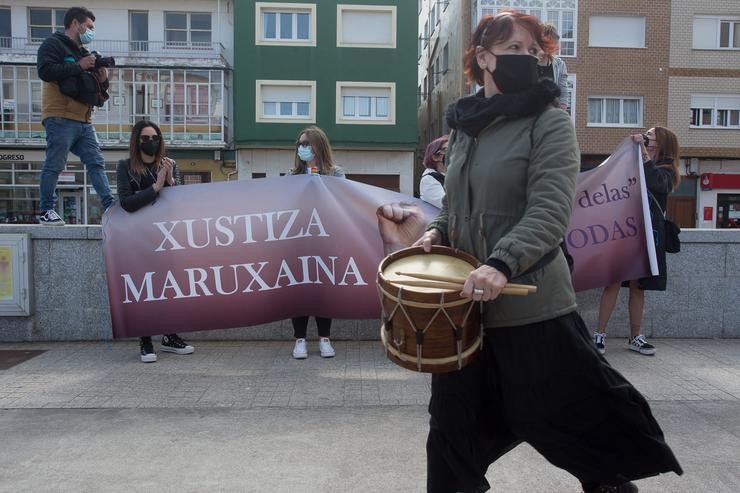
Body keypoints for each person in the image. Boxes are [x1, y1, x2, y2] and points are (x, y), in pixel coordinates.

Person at [412, 11, 682, 493]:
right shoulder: (463, 129)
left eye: (534, 52)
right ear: (482, 57)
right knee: (451, 434)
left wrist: (500, 263)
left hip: (532, 306)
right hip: (464, 313)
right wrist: (435, 233)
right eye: (514, 49)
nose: (527, 59)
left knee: (575, 426)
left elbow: (551, 209)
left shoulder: (549, 124)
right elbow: (455, 206)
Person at [594, 127, 681, 356]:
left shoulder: (666, 170)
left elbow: (658, 184)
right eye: (645, 135)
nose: (644, 137)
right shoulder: (635, 162)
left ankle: (635, 337)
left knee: (638, 286)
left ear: (660, 142)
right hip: (626, 231)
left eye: (649, 135)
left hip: (648, 236)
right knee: (613, 282)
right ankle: (599, 335)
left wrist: (641, 150)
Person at [117, 120, 195, 363]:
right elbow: (127, 203)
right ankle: (145, 340)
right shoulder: (125, 166)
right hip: (137, 239)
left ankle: (170, 336)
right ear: (136, 141)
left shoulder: (169, 164)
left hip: (166, 238)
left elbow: (179, 203)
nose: (151, 142)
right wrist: (157, 185)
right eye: (145, 138)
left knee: (168, 288)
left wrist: (170, 181)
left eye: (155, 137)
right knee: (144, 289)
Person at [36, 6, 114, 225]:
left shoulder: (83, 52)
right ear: (75, 24)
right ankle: (46, 210)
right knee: (55, 164)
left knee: (96, 162)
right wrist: (79, 66)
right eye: (89, 26)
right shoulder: (54, 44)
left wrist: (103, 77)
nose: (91, 31)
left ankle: (110, 206)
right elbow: (45, 71)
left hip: (83, 119)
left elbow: (90, 90)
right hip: (60, 115)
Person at [287, 126, 345, 359]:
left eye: (307, 144)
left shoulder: (336, 173)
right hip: (298, 242)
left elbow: (342, 203)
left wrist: (319, 182)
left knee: (324, 291)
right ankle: (300, 339)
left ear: (318, 146)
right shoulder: (291, 175)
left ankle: (324, 339)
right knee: (298, 291)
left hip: (326, 241)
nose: (303, 148)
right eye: (300, 144)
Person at [537, 22, 570, 111]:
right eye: (545, 42)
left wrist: (562, 108)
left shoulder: (559, 65)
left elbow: (563, 89)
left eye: (551, 43)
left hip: (551, 113)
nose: (547, 46)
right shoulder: (529, 63)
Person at [420, 136, 449, 208]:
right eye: (448, 150)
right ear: (435, 157)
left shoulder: (452, 177)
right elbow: (449, 206)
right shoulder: (429, 180)